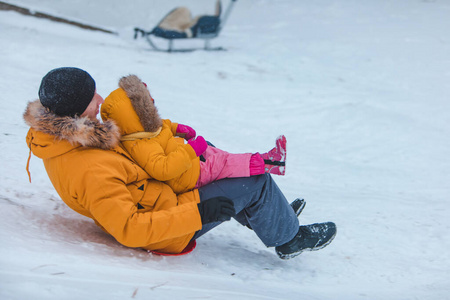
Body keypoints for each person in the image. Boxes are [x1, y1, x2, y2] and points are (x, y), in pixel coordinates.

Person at [24, 67, 336, 259]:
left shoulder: (74, 138)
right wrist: (198, 213)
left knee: (205, 153)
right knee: (255, 182)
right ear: (77, 112)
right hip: (168, 222)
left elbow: (131, 152)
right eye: (94, 99)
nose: (102, 100)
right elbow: (129, 229)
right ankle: (289, 238)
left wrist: (168, 133)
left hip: (161, 193)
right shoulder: (89, 168)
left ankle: (268, 214)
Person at [100, 74, 286, 195]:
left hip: (187, 163)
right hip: (187, 176)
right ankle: (271, 163)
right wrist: (190, 151)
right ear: (137, 113)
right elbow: (163, 169)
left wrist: (176, 128)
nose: (152, 102)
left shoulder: (142, 129)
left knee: (218, 154)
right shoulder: (141, 145)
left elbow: (161, 127)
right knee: (224, 163)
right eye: (148, 103)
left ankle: (263, 162)